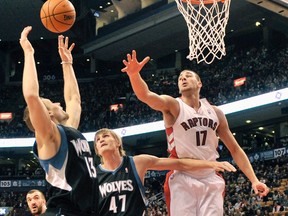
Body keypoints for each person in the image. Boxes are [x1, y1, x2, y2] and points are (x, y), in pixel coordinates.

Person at [121, 50, 270, 216]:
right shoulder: (173, 106)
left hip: (211, 176)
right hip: (182, 177)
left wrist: (254, 179)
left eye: (188, 76)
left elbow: (235, 149)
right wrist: (134, 75)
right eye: (180, 78)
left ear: (199, 83)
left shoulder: (216, 113)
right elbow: (146, 95)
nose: (183, 78)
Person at [20, 26, 98, 216]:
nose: (57, 102)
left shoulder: (68, 131)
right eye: (51, 103)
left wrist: (67, 64)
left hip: (85, 208)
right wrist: (29, 52)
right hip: (65, 209)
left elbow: (74, 100)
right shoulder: (49, 138)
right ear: (47, 115)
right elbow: (31, 95)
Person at [94, 128, 237, 216]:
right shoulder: (92, 175)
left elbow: (179, 163)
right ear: (96, 150)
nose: (101, 140)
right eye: (98, 140)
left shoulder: (137, 162)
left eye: (106, 136)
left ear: (118, 142)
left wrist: (210, 164)